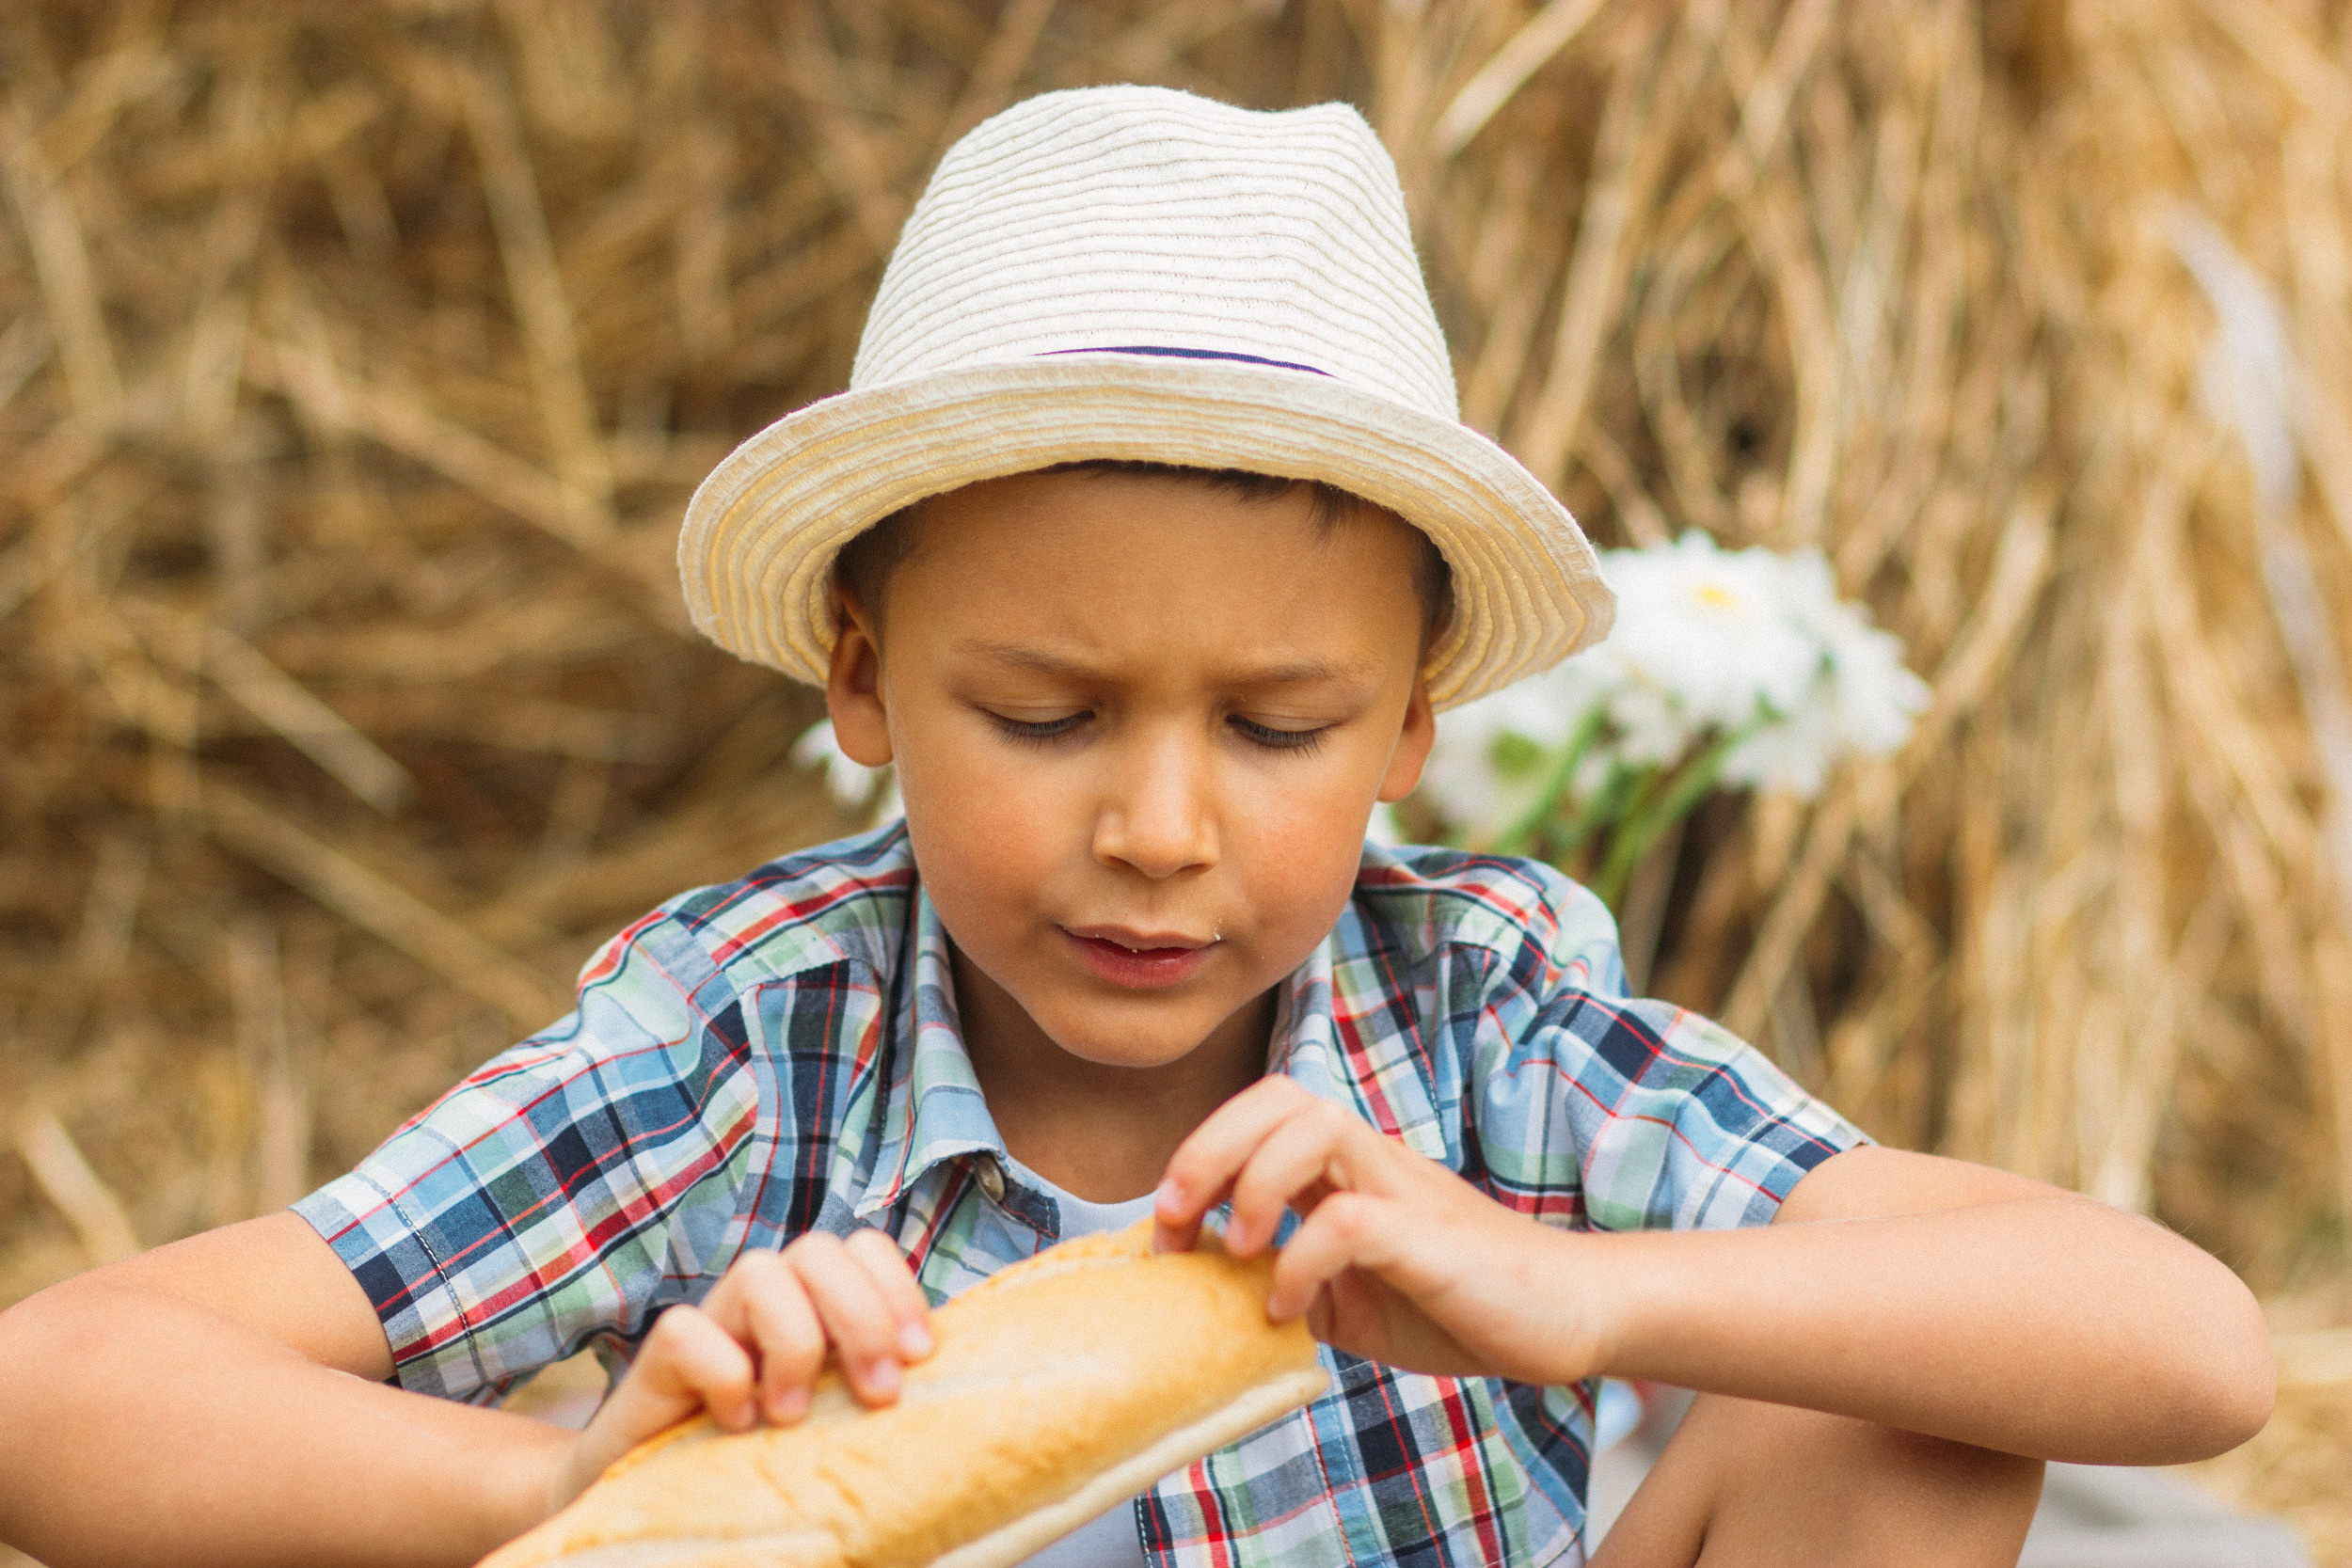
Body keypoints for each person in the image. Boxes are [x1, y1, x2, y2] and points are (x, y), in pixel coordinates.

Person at [0, 85, 2269, 1568]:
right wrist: (575, 1487)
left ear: (1405, 723)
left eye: (1275, 725)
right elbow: (64, 1389)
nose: (1161, 827)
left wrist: (1576, 1297)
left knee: (1906, 1418)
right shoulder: (745, 1050)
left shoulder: (1473, 1024)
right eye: (1049, 711)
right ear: (866, 683)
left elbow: (2180, 1347)